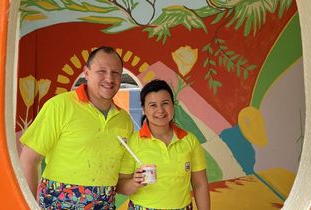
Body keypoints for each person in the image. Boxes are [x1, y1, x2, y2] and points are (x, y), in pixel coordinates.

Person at [19, 46, 134, 209]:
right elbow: (29, 160)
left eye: (115, 73)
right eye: (101, 71)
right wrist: (27, 206)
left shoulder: (124, 120)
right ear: (86, 73)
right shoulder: (59, 106)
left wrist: (140, 180)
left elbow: (121, 181)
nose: (109, 78)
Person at [116, 79, 210, 210]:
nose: (160, 110)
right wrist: (134, 183)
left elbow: (200, 184)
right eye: (153, 105)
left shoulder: (190, 140)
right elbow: (120, 187)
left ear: (173, 105)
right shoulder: (133, 142)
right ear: (143, 109)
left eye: (165, 103)